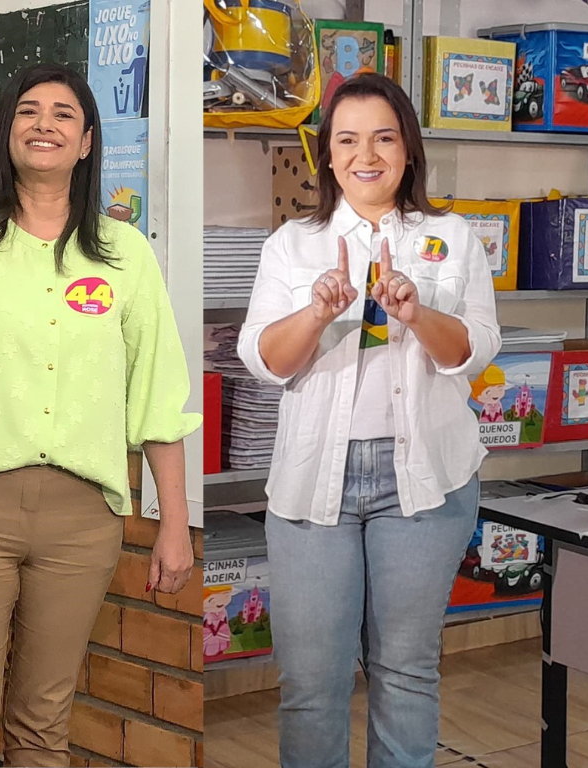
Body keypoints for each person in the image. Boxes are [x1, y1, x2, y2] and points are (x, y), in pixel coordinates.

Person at [0, 63, 199, 768]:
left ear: (86, 143)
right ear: (6, 131)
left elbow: (157, 394)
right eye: (28, 111)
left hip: (82, 519)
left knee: (43, 727)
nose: (44, 123)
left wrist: (174, 524)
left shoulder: (125, 255)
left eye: (63, 113)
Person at [237, 73, 501, 768]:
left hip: (423, 483)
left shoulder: (452, 235)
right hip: (311, 485)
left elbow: (473, 352)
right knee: (311, 684)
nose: (367, 154)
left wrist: (416, 313)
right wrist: (317, 310)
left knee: (406, 673)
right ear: (328, 156)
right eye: (348, 140)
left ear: (408, 149)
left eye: (384, 137)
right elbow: (266, 360)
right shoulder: (293, 245)